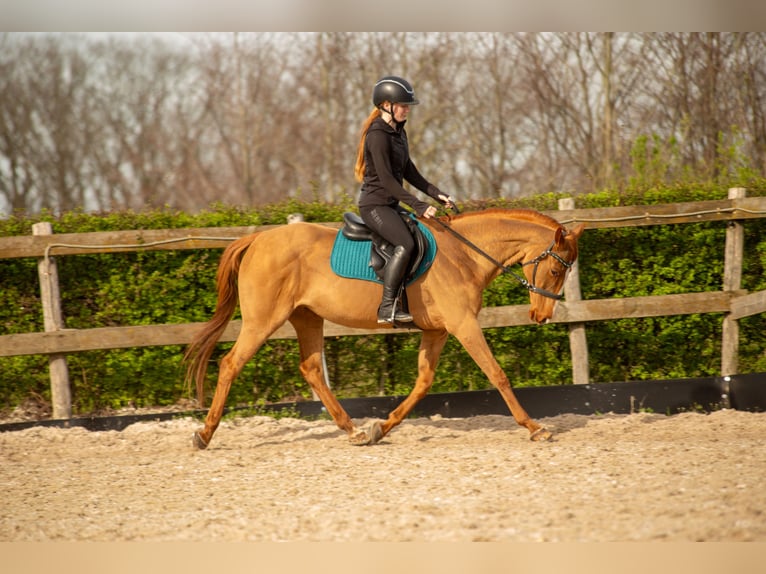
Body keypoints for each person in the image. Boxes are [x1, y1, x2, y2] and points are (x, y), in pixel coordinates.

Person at [354, 75, 455, 324]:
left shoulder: (399, 131)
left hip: (390, 203)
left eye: (408, 105)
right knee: (406, 244)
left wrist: (436, 193)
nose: (407, 109)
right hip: (374, 205)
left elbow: (409, 170)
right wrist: (419, 206)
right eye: (403, 105)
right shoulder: (377, 136)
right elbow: (388, 181)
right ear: (386, 105)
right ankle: (387, 307)